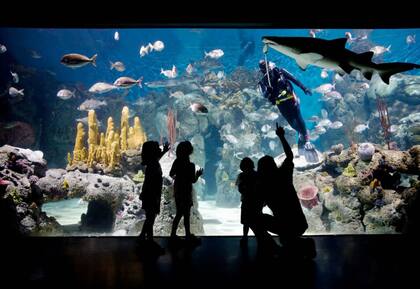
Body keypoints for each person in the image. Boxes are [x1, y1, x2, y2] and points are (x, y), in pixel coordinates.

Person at [257, 123, 316, 258]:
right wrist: (281, 137)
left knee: (256, 219)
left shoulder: (264, 186)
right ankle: (300, 245)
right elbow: (289, 156)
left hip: (284, 227)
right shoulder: (283, 174)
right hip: (300, 224)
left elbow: (258, 208)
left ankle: (275, 248)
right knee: (288, 240)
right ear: (273, 165)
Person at [258, 60, 318, 163]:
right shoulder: (263, 82)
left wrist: (304, 88)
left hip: (292, 99)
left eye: (266, 65)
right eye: (263, 67)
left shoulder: (280, 71)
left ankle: (307, 141)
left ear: (268, 65)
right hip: (281, 105)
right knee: (293, 124)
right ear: (261, 70)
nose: (266, 68)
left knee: (299, 119)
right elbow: (264, 95)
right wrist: (268, 91)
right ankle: (301, 136)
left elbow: (294, 79)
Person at [170, 141, 203, 242]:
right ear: (190, 152)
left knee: (179, 213)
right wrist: (198, 174)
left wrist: (178, 178)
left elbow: (171, 174)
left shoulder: (177, 162)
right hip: (186, 192)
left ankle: (173, 234)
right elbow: (193, 180)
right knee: (186, 214)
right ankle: (187, 234)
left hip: (178, 190)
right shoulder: (191, 165)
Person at [138, 141, 169, 241]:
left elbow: (157, 157)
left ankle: (144, 237)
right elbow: (149, 183)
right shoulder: (153, 165)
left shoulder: (152, 162)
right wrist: (153, 198)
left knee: (150, 218)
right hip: (151, 196)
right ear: (152, 152)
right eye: (157, 148)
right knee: (150, 219)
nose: (159, 149)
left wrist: (164, 151)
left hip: (151, 195)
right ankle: (147, 240)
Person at [235, 157, 260, 246]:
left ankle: (245, 237)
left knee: (246, 222)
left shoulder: (241, 176)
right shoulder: (257, 175)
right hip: (256, 201)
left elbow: (240, 189)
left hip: (247, 201)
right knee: (256, 221)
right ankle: (259, 238)